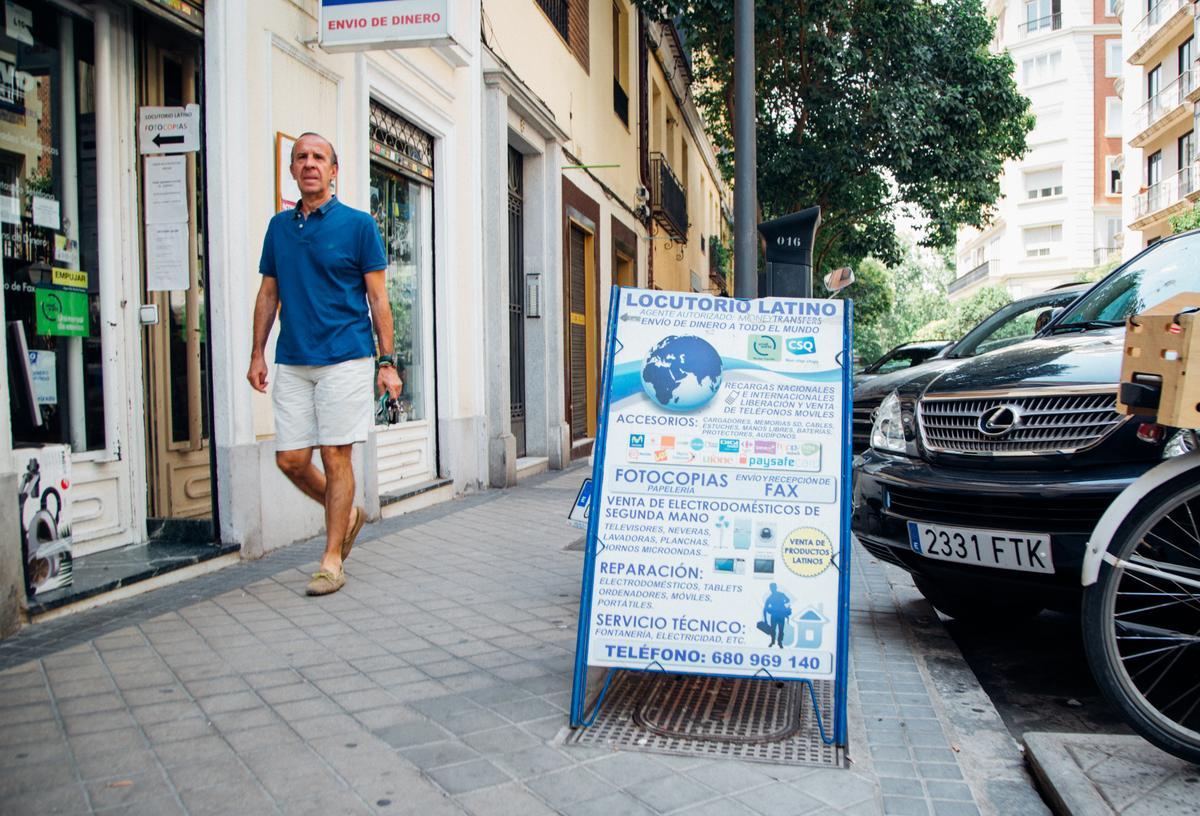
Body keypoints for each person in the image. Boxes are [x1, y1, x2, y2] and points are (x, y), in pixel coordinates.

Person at [247, 132, 402, 596]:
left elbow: (378, 298)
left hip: (346, 356)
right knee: (291, 459)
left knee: (336, 455)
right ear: (292, 171)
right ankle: (347, 513)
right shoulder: (279, 228)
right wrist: (257, 351)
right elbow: (268, 293)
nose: (310, 163)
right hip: (293, 358)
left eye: (319, 158)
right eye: (302, 157)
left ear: (334, 171)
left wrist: (387, 362)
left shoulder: (358, 226)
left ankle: (331, 559)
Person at [762, 583, 792, 648]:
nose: (773, 589)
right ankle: (773, 641)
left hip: (781, 615)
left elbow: (788, 600)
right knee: (773, 630)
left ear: (776, 587)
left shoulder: (781, 594)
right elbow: (765, 609)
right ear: (770, 589)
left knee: (781, 630)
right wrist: (765, 620)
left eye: (774, 587)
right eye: (772, 588)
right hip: (774, 616)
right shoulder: (770, 598)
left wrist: (783, 602)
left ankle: (780, 642)